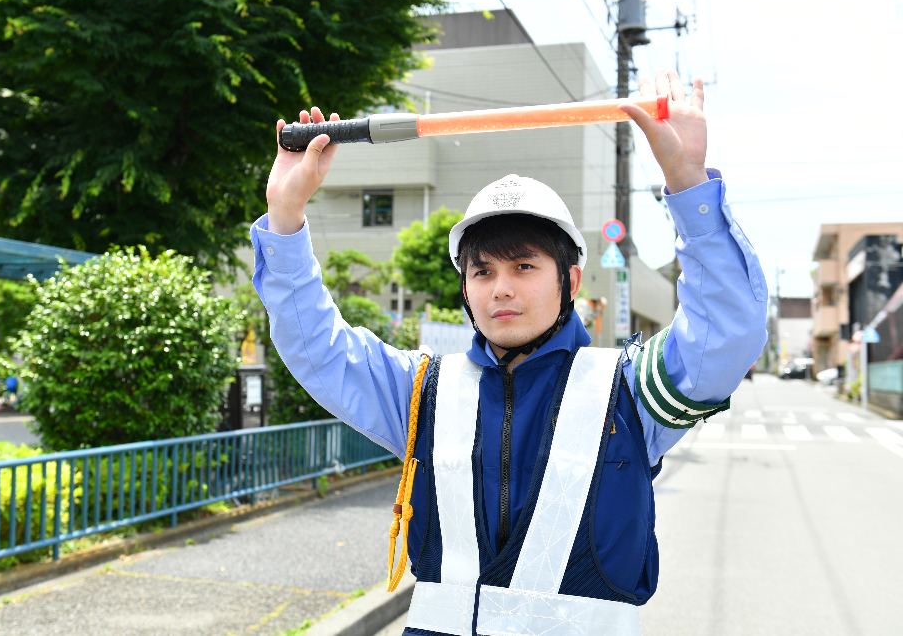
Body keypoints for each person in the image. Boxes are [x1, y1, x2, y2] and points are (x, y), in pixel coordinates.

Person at [252, 71, 767, 636]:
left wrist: (689, 186)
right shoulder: (424, 391)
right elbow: (316, 349)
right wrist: (284, 217)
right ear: (465, 288)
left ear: (570, 280)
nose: (501, 288)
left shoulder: (630, 390)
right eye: (483, 271)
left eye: (524, 267)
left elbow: (726, 334)